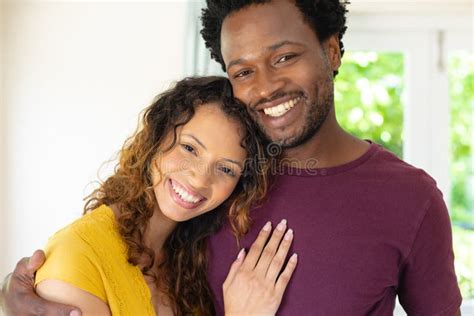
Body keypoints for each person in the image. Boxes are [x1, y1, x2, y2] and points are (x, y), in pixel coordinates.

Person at [1, 0, 463, 315]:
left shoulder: (410, 198)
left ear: (332, 50)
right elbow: (110, 262)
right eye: (243, 71)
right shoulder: (216, 189)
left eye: (283, 57)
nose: (264, 86)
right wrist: (27, 292)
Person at [1, 76, 298, 315]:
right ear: (157, 137)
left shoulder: (188, 261)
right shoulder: (78, 254)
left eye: (226, 169)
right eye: (190, 148)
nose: (199, 178)